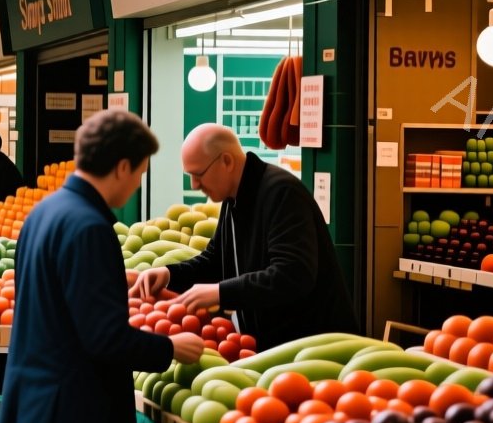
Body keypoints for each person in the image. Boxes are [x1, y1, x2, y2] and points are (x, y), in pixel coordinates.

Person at [0, 109, 205, 423]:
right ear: (121, 166)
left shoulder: (45, 212)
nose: (134, 187)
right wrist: (169, 347)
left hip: (39, 409)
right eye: (138, 175)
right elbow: (103, 339)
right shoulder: (91, 227)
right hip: (78, 419)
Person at [130, 123, 358, 346]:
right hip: (275, 349)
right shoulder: (233, 198)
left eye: (198, 174)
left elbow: (293, 274)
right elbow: (215, 261)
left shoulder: (281, 193)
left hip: (314, 350)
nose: (194, 184)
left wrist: (221, 293)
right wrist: (169, 274)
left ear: (226, 161)